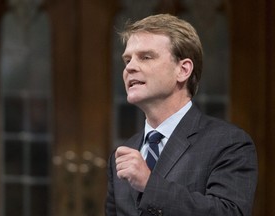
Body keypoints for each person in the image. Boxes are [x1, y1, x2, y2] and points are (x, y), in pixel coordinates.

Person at [105, 14, 258, 216]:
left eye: (146, 57)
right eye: (127, 59)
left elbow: (230, 212)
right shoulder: (123, 155)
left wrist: (150, 185)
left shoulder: (229, 143)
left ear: (183, 70)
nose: (130, 67)